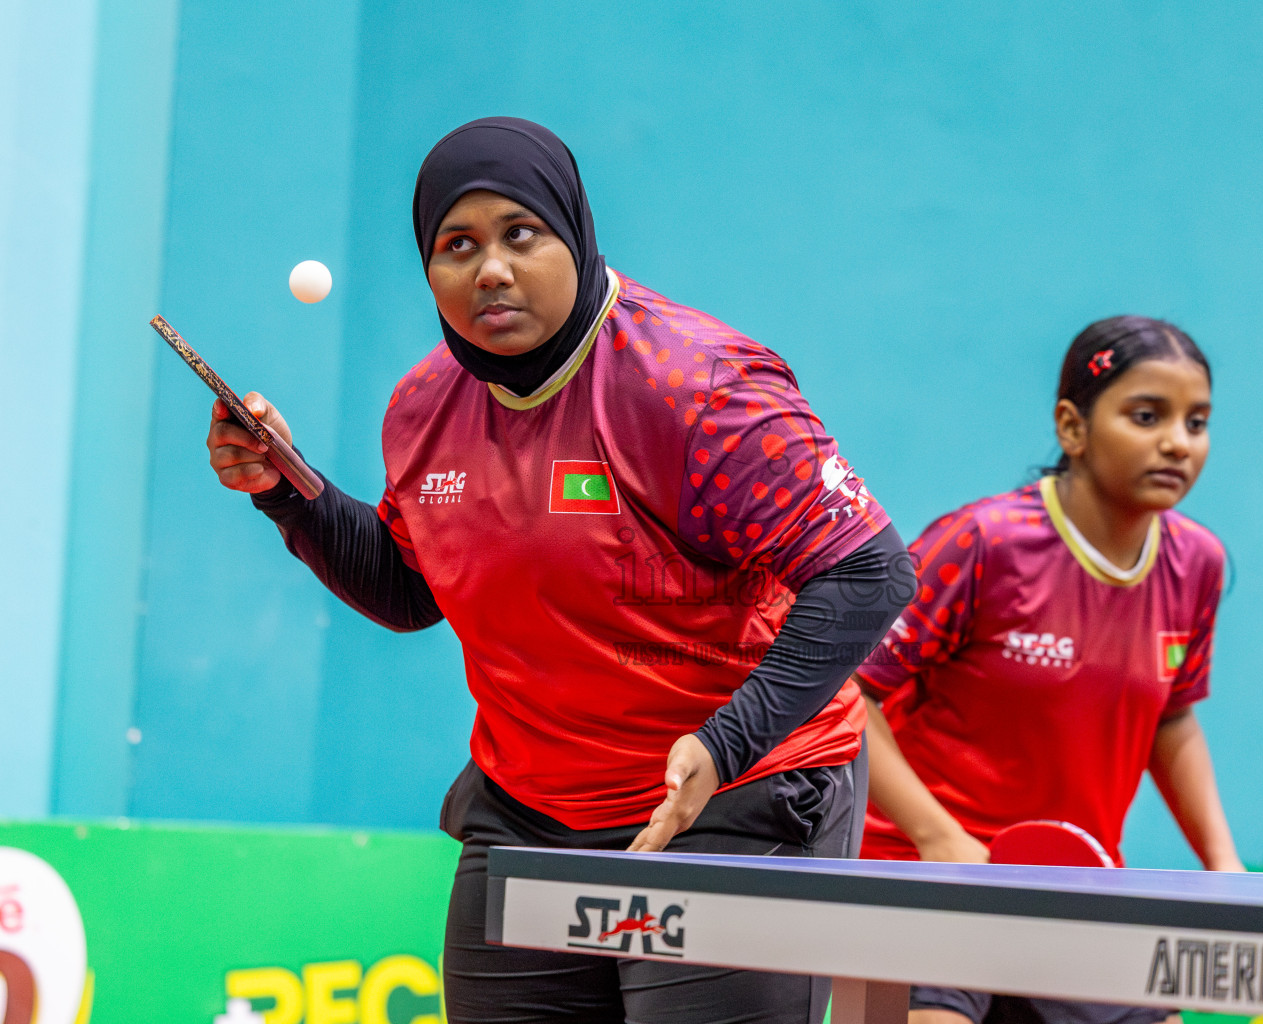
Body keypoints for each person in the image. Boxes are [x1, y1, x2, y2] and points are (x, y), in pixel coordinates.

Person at [204, 116, 913, 1024]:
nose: (489, 269)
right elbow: (415, 590)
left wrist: (724, 743)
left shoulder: (696, 387)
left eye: (519, 234)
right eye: (456, 245)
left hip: (726, 797)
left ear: (573, 234)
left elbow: (869, 573)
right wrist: (288, 495)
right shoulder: (424, 407)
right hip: (532, 808)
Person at [855, 317, 1242, 1024]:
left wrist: (1227, 868)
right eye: (1147, 415)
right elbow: (850, 697)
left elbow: (1173, 717)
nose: (1177, 442)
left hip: (1077, 888)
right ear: (1072, 426)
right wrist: (939, 838)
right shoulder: (982, 544)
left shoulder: (1198, 565)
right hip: (934, 878)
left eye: (1198, 422)